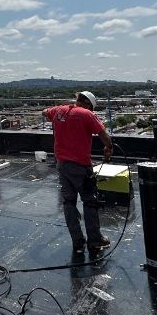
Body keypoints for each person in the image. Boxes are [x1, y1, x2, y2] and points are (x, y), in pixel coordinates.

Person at [44, 91, 114, 255]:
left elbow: (45, 112)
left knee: (69, 203)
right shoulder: (87, 114)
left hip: (62, 165)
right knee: (89, 202)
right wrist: (108, 148)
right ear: (89, 105)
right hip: (81, 166)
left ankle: (78, 242)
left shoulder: (60, 110)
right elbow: (105, 137)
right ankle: (95, 241)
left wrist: (58, 109)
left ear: (78, 99)